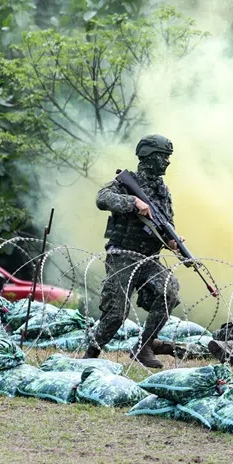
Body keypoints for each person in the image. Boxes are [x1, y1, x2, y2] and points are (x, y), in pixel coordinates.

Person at [84, 134, 182, 368]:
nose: (167, 162)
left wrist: (173, 240)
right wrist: (133, 203)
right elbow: (102, 198)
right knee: (117, 313)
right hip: (122, 255)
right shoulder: (125, 183)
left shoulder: (162, 192)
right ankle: (90, 356)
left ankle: (145, 346)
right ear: (148, 156)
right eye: (163, 157)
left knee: (169, 292)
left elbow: (167, 224)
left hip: (148, 259)